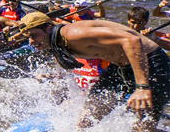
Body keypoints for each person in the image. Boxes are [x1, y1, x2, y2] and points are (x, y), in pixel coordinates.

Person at [19, 12, 170, 131]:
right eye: (28, 37)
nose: (31, 42)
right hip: (119, 67)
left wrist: (142, 87)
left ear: (48, 28)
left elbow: (131, 40)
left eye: (34, 35)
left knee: (143, 128)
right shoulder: (55, 42)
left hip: (151, 64)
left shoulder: (74, 34)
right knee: (86, 120)